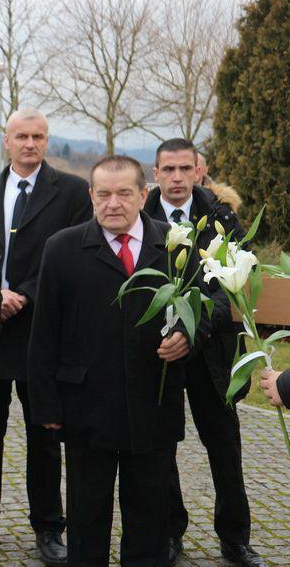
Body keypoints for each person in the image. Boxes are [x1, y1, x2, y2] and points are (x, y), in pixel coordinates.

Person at [29, 155, 213, 566]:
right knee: (87, 515)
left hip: (153, 402)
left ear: (143, 194)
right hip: (85, 408)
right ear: (91, 196)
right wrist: (47, 406)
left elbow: (205, 308)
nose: (114, 203)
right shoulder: (62, 249)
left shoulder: (176, 246)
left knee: (150, 515)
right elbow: (44, 336)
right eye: (104, 194)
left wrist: (188, 337)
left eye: (124, 193)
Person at [0, 108, 91, 565]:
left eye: (38, 136)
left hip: (42, 331)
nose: (30, 144)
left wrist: (23, 294)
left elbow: (73, 255)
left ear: (47, 141)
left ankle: (48, 527)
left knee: (44, 434)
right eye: (21, 136)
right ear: (6, 140)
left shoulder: (73, 193)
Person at [144, 138, 263, 566]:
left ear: (199, 171)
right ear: (155, 173)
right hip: (162, 353)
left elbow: (227, 288)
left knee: (225, 447)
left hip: (211, 351)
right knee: (162, 446)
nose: (177, 178)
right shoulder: (143, 219)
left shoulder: (220, 218)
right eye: (168, 170)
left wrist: (194, 331)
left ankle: (235, 538)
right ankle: (171, 531)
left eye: (185, 169)